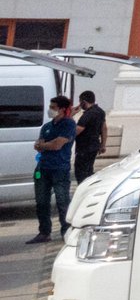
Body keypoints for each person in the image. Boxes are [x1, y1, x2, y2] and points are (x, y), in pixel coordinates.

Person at [28, 95, 76, 244]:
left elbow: (57, 145)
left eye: (53, 107)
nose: (50, 110)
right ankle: (44, 232)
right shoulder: (47, 127)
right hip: (43, 168)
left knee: (62, 201)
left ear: (62, 109)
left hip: (59, 168)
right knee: (41, 201)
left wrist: (44, 145)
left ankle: (66, 231)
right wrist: (45, 145)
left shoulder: (68, 124)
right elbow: (38, 145)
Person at [74, 90, 107, 184]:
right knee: (89, 171)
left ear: (83, 102)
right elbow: (104, 128)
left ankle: (83, 191)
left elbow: (77, 130)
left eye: (80, 101)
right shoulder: (100, 111)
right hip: (94, 146)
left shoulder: (87, 114)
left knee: (81, 174)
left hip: (84, 148)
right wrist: (103, 144)